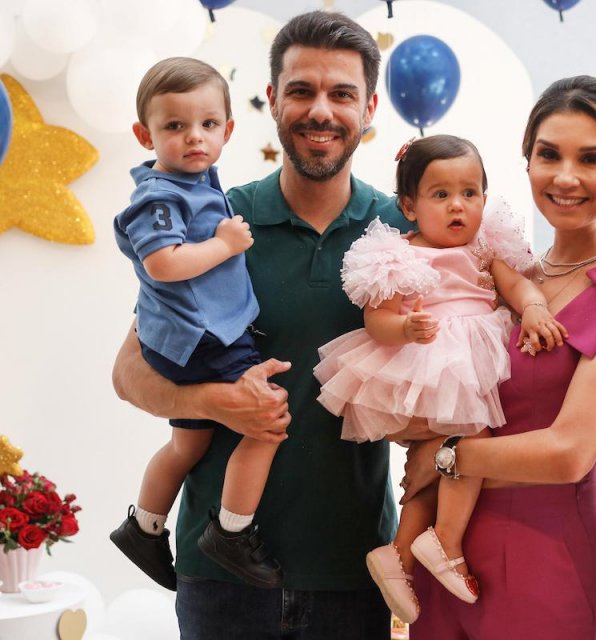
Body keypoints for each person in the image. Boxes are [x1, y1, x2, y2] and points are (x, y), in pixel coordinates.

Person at [112, 11, 413, 639]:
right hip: (219, 580)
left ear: (371, 107)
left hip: (351, 571)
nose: (320, 111)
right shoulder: (218, 222)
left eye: (342, 94)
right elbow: (129, 374)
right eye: (301, 90)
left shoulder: (401, 234)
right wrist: (213, 402)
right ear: (272, 100)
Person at [398, 75, 596, 639]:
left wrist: (450, 455)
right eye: (548, 155)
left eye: (590, 159)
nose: (565, 177)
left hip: (541, 549)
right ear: (526, 165)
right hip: (444, 549)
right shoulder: (507, 272)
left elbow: (570, 452)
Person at [314, 134, 567, 624]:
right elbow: (376, 320)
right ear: (409, 205)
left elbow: (519, 287)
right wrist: (404, 327)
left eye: (470, 193)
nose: (458, 206)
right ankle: (445, 542)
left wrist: (534, 309)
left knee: (434, 459)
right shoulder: (397, 256)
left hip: (473, 357)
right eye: (441, 195)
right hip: (426, 360)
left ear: (485, 200)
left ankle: (400, 556)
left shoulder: (484, 249)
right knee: (469, 441)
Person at [110, 56, 282, 593]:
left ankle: (143, 525)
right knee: (268, 422)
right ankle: (231, 531)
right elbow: (162, 263)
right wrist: (224, 244)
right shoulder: (160, 195)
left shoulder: (200, 183)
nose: (194, 138)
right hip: (205, 339)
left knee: (189, 445)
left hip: (192, 338)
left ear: (228, 130)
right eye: (175, 127)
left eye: (208, 125)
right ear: (145, 134)